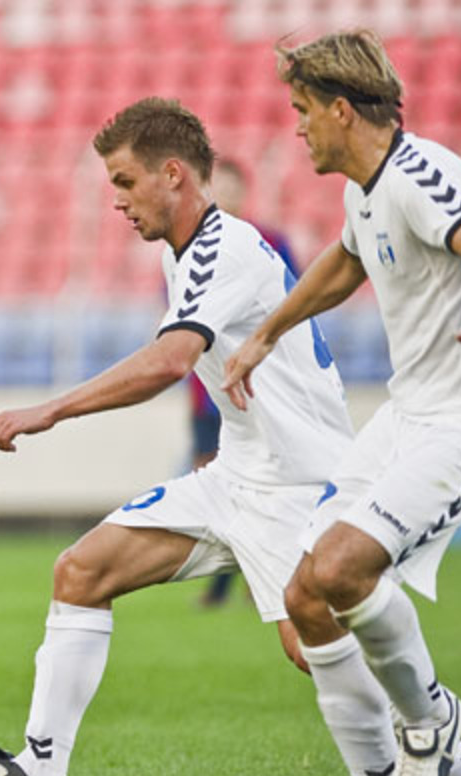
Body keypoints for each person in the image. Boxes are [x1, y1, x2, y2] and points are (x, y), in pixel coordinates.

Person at [0, 97, 356, 776]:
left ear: (172, 174)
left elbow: (169, 361)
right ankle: (40, 770)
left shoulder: (225, 250)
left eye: (126, 182)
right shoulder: (182, 250)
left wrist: (50, 410)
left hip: (295, 483)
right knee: (82, 571)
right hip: (237, 473)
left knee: (310, 644)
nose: (117, 201)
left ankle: (456, 768)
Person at [222, 28, 461, 776]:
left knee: (342, 570)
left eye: (303, 110)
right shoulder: (366, 191)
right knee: (307, 595)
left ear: (341, 110)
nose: (297, 126)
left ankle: (431, 727)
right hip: (408, 414)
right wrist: (266, 334)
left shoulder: (423, 172)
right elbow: (345, 262)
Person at [188, 159, 297, 608]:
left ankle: (261, 576)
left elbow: (293, 303)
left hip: (258, 387)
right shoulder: (190, 248)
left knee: (264, 485)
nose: (225, 196)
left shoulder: (269, 242)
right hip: (208, 394)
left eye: (232, 188)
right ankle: (222, 584)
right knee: (214, 485)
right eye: (219, 188)